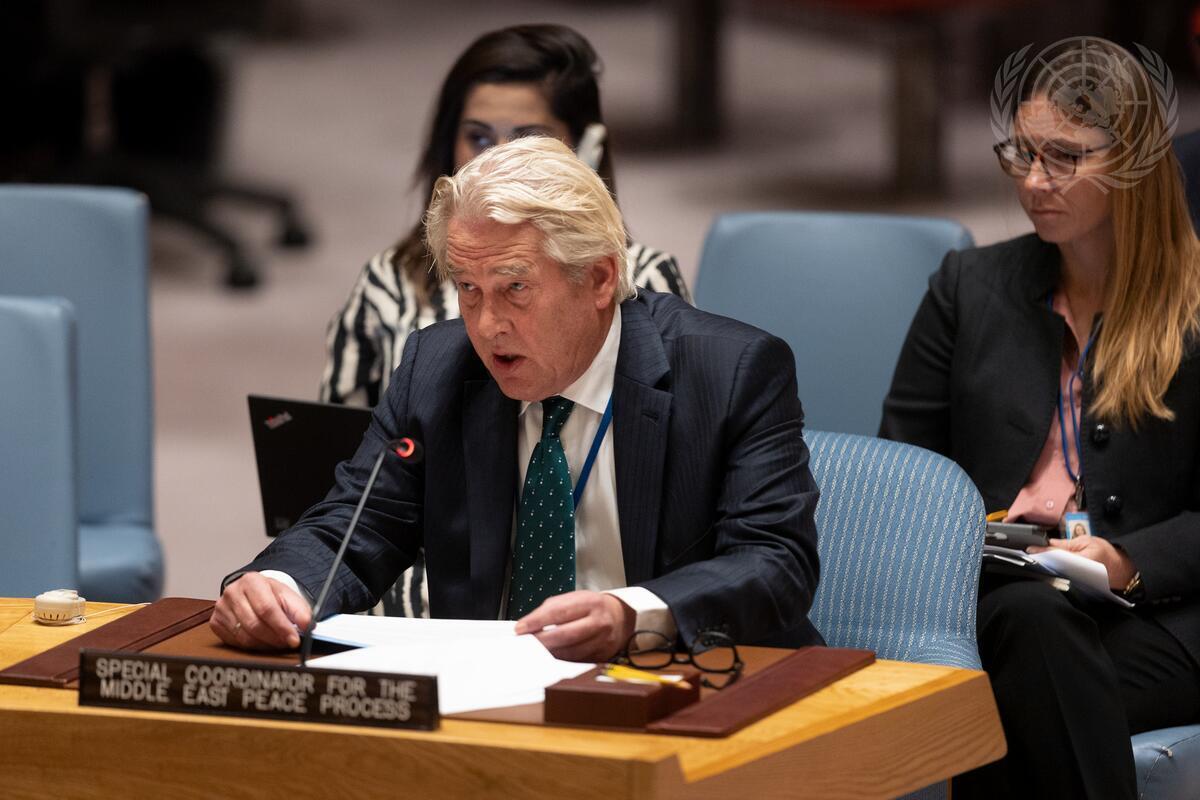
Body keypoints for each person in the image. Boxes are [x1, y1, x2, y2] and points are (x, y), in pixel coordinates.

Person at [213, 136, 822, 662]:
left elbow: (775, 562)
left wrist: (634, 614)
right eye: (469, 289)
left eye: (515, 289)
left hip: (691, 684)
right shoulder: (437, 368)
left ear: (600, 278)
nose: (486, 325)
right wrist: (279, 585)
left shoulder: (728, 372)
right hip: (495, 699)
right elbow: (359, 521)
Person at [881, 38, 1200, 799]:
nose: (1032, 180)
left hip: (1159, 619)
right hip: (997, 596)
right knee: (1030, 631)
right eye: (1021, 153)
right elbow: (903, 473)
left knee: (1015, 683)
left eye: (1064, 157)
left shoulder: (1193, 305)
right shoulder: (969, 287)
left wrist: (1127, 560)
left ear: (1133, 164)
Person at [320, 24, 691, 618]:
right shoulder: (394, 291)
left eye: (527, 140)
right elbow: (348, 490)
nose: (497, 159)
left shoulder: (638, 290)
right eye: (477, 137)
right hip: (411, 601)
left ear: (587, 152)